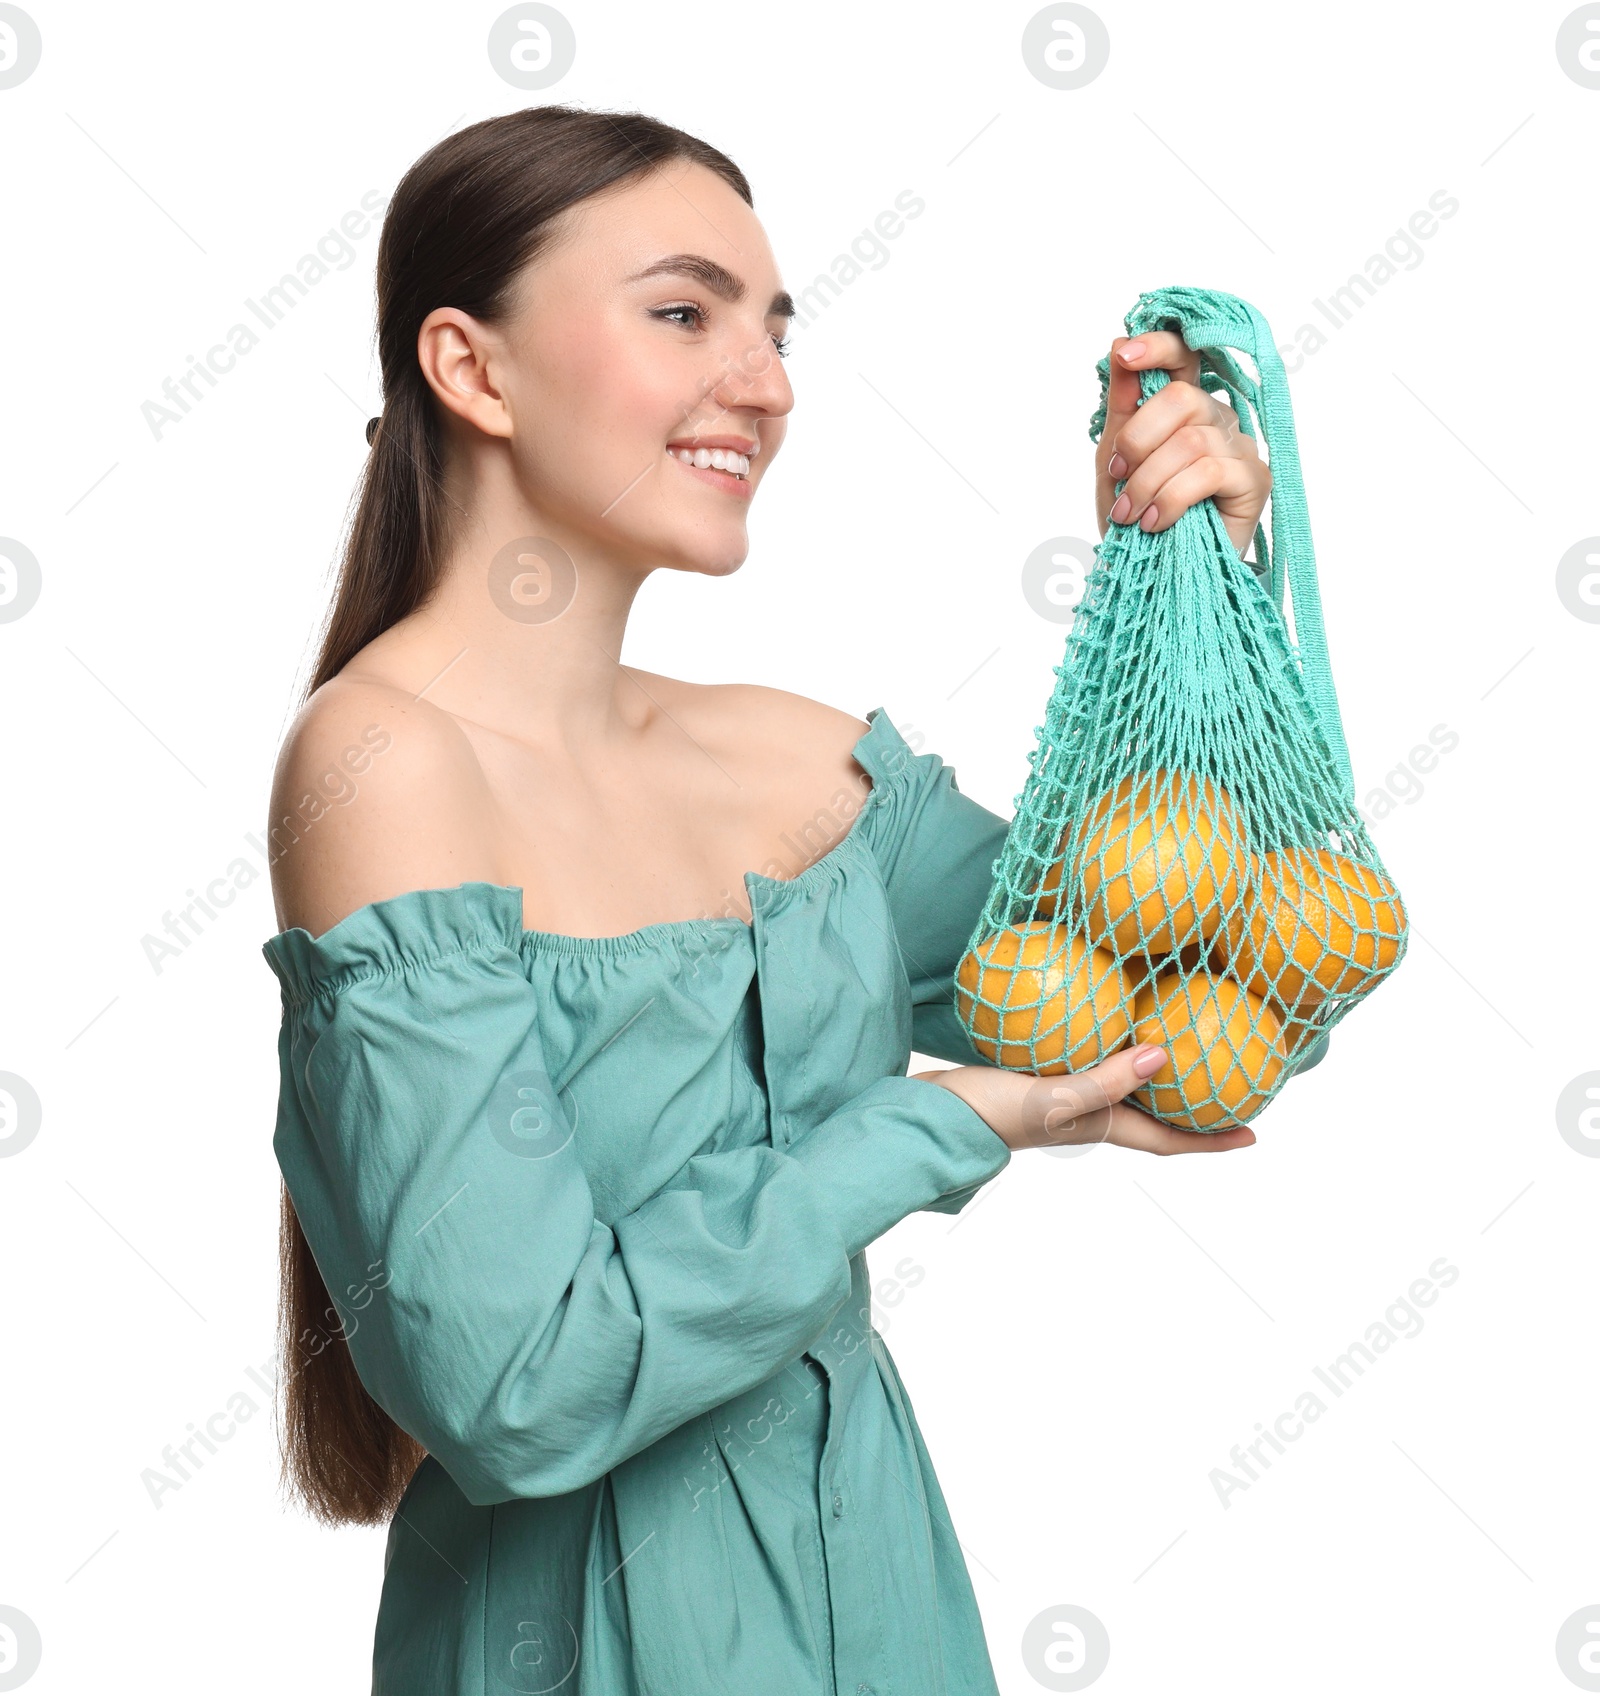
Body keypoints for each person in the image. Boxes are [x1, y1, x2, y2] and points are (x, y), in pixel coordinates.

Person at [261, 104, 1272, 1696]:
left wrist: (1185, 579)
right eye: (684, 313)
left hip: (882, 1601)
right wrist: (947, 1124)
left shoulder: (799, 766)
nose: (768, 384)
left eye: (775, 328)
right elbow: (524, 1385)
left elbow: (1206, 998)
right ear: (473, 369)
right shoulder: (385, 766)